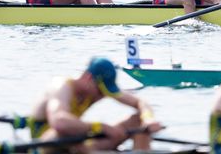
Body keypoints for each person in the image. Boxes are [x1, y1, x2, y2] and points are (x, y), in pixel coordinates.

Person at [28, 57, 162, 151]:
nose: (102, 95)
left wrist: (148, 119)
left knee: (138, 120)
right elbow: (60, 122)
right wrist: (102, 127)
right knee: (67, 131)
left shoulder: (98, 87)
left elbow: (140, 102)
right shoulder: (61, 87)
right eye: (100, 90)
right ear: (88, 78)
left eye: (105, 91)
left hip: (78, 144)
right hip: (45, 144)